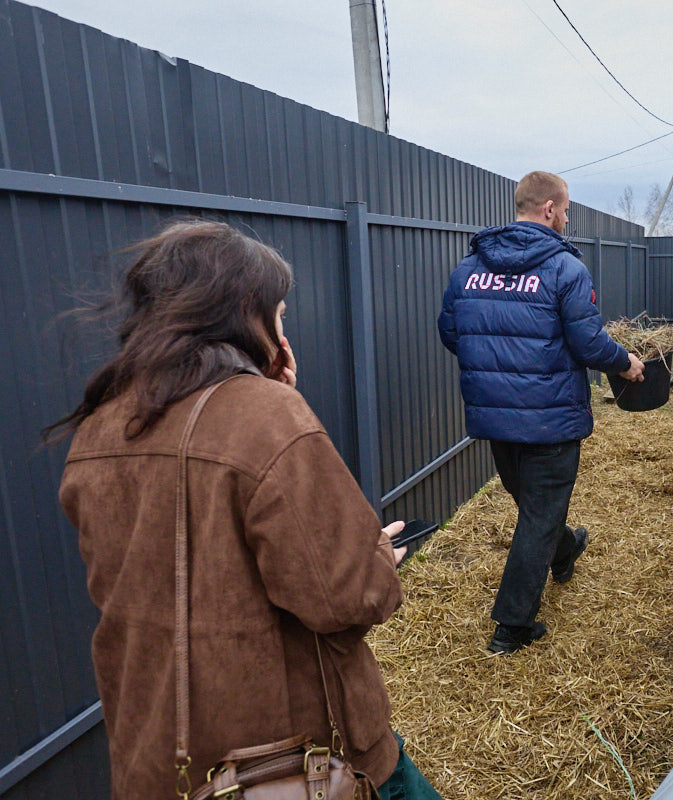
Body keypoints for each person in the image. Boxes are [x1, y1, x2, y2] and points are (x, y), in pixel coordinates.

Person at [49, 220, 440, 799]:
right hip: (293, 765)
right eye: (279, 314)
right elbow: (350, 598)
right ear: (243, 315)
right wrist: (375, 553)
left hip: (159, 762)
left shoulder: (99, 429)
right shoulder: (265, 417)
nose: (284, 330)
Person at [437, 171, 645, 654]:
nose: (567, 219)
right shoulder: (564, 269)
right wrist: (628, 363)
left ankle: (566, 548)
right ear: (549, 208)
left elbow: (452, 333)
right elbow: (588, 342)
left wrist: (497, 369)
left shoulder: (468, 269)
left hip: (497, 419)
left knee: (536, 509)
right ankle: (512, 627)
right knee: (538, 515)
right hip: (549, 418)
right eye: (567, 210)